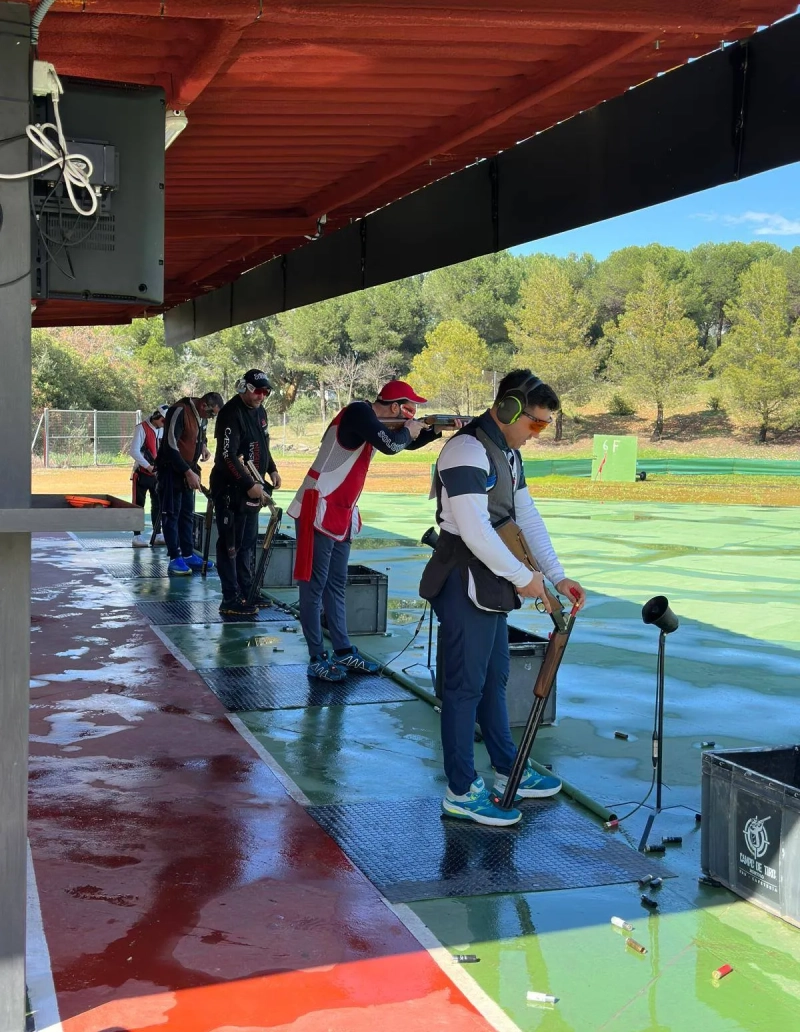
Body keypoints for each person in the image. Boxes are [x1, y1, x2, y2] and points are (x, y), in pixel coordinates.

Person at [419, 370, 586, 827]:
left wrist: (556, 575)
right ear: (509, 408)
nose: (536, 434)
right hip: (462, 578)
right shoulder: (466, 450)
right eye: (535, 423)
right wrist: (523, 577)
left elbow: (524, 515)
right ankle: (459, 789)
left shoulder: (508, 454)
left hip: (491, 579)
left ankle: (506, 764)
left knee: (494, 676)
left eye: (544, 426)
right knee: (463, 687)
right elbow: (473, 530)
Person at [288, 380, 446, 682]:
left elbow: (402, 441)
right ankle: (316, 656)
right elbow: (392, 444)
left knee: (336, 584)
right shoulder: (359, 412)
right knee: (313, 585)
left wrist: (431, 431)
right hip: (316, 505)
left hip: (340, 511)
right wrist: (413, 430)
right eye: (409, 409)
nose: (410, 415)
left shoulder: (372, 421)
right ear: (396, 407)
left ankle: (343, 651)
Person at [210, 369, 282, 617]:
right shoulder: (230, 413)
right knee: (231, 545)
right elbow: (226, 456)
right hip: (231, 490)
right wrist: (247, 483)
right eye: (257, 391)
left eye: (265, 392)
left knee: (248, 543)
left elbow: (262, 443)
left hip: (253, 488)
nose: (261, 396)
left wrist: (271, 469)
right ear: (244, 388)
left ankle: (247, 591)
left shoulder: (260, 412)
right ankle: (230, 598)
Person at [156, 391, 223, 576]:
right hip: (172, 470)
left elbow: (199, 433)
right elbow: (170, 445)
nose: (211, 417)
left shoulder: (201, 416)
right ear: (203, 405)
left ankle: (187, 554)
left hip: (189, 469)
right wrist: (187, 472)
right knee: (171, 514)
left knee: (187, 513)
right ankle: (174, 557)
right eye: (211, 414)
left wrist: (203, 446)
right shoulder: (179, 410)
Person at [129, 405, 168, 548]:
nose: (165, 424)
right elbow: (134, 451)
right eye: (164, 420)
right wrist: (148, 466)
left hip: (156, 474)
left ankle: (157, 533)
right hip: (141, 474)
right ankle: (137, 536)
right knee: (138, 505)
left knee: (157, 504)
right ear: (157, 416)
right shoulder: (141, 428)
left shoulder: (162, 430)